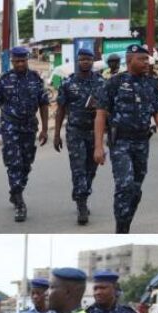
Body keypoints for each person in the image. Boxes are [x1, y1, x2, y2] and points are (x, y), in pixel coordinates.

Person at [94, 44, 158, 233]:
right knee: (124, 185)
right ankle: (121, 229)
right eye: (142, 59)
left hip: (142, 142)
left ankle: (125, 224)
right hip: (121, 142)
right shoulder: (114, 83)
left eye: (147, 59)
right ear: (130, 59)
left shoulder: (151, 84)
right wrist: (98, 146)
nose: (146, 63)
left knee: (135, 190)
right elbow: (100, 115)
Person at [0, 46, 50, 223]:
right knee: (14, 163)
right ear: (12, 61)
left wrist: (44, 129)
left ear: (27, 60)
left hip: (29, 127)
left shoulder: (35, 79)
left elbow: (43, 104)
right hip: (10, 126)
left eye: (23, 60)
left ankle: (16, 190)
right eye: (16, 61)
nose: (20, 64)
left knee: (26, 164)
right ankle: (19, 202)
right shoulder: (3, 80)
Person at [54, 47, 105, 225]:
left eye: (88, 59)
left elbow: (107, 109)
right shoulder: (68, 83)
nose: (85, 62)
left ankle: (81, 193)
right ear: (78, 61)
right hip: (75, 131)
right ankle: (82, 204)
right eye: (82, 59)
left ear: (93, 61)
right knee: (78, 169)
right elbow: (60, 109)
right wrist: (56, 134)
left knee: (91, 168)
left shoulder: (100, 82)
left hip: (94, 132)